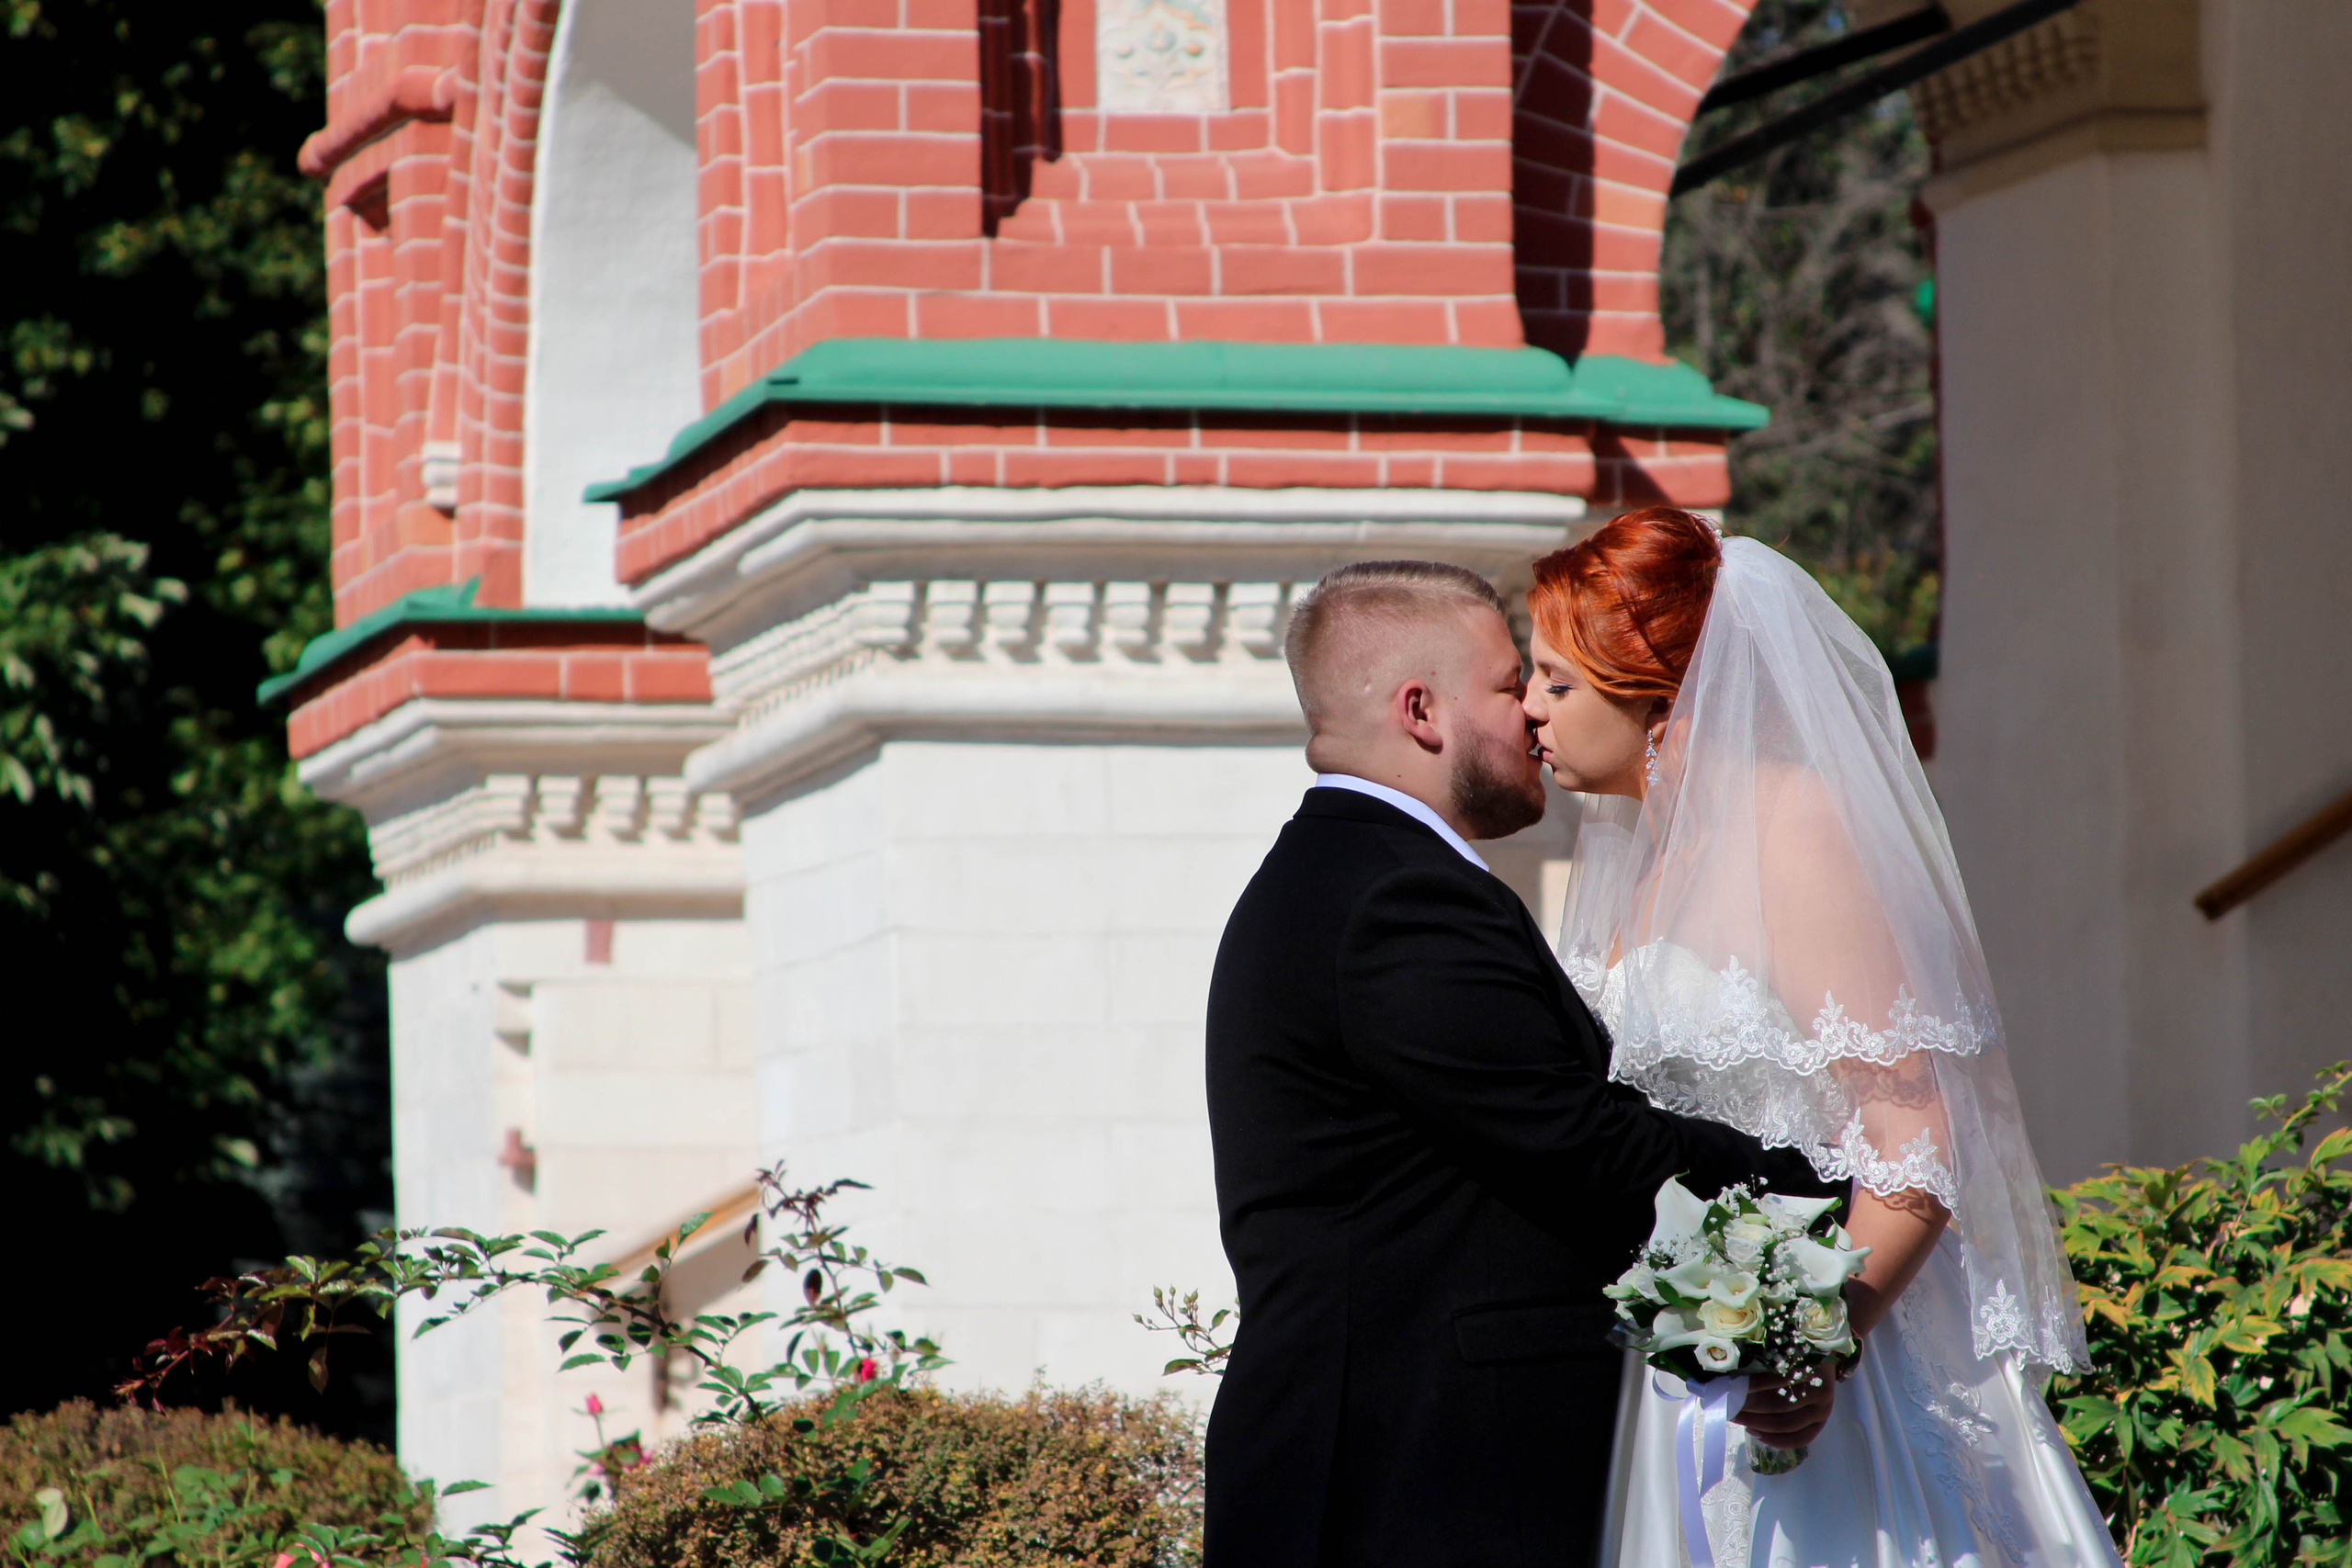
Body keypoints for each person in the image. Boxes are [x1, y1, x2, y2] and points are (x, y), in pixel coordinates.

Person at [1204, 559, 1840, 1568]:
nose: (1534, 721)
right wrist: (1821, 1183)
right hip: (1420, 1481)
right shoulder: (1392, 898)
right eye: (1511, 686)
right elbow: (1577, 1140)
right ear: (1421, 711)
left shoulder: (1344, 874)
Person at [1524, 508, 2120, 1568]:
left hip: (1832, 1375)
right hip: (1686, 1373)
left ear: (1656, 696)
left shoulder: (1794, 834)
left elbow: (1915, 1136)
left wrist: (1816, 1348)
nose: (1529, 712)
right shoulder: (1644, 849)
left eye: (1555, 684)